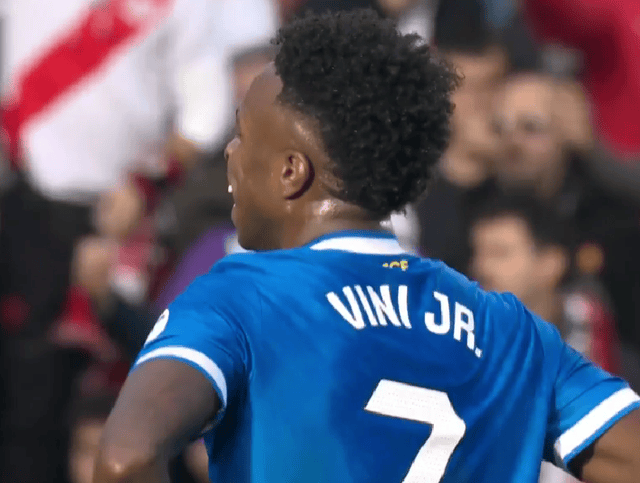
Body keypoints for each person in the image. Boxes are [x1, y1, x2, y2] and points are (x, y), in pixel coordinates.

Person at [94, 10, 640, 483]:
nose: (230, 154)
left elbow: (124, 458)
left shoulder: (240, 299)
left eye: (245, 135)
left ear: (291, 171)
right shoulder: (508, 330)